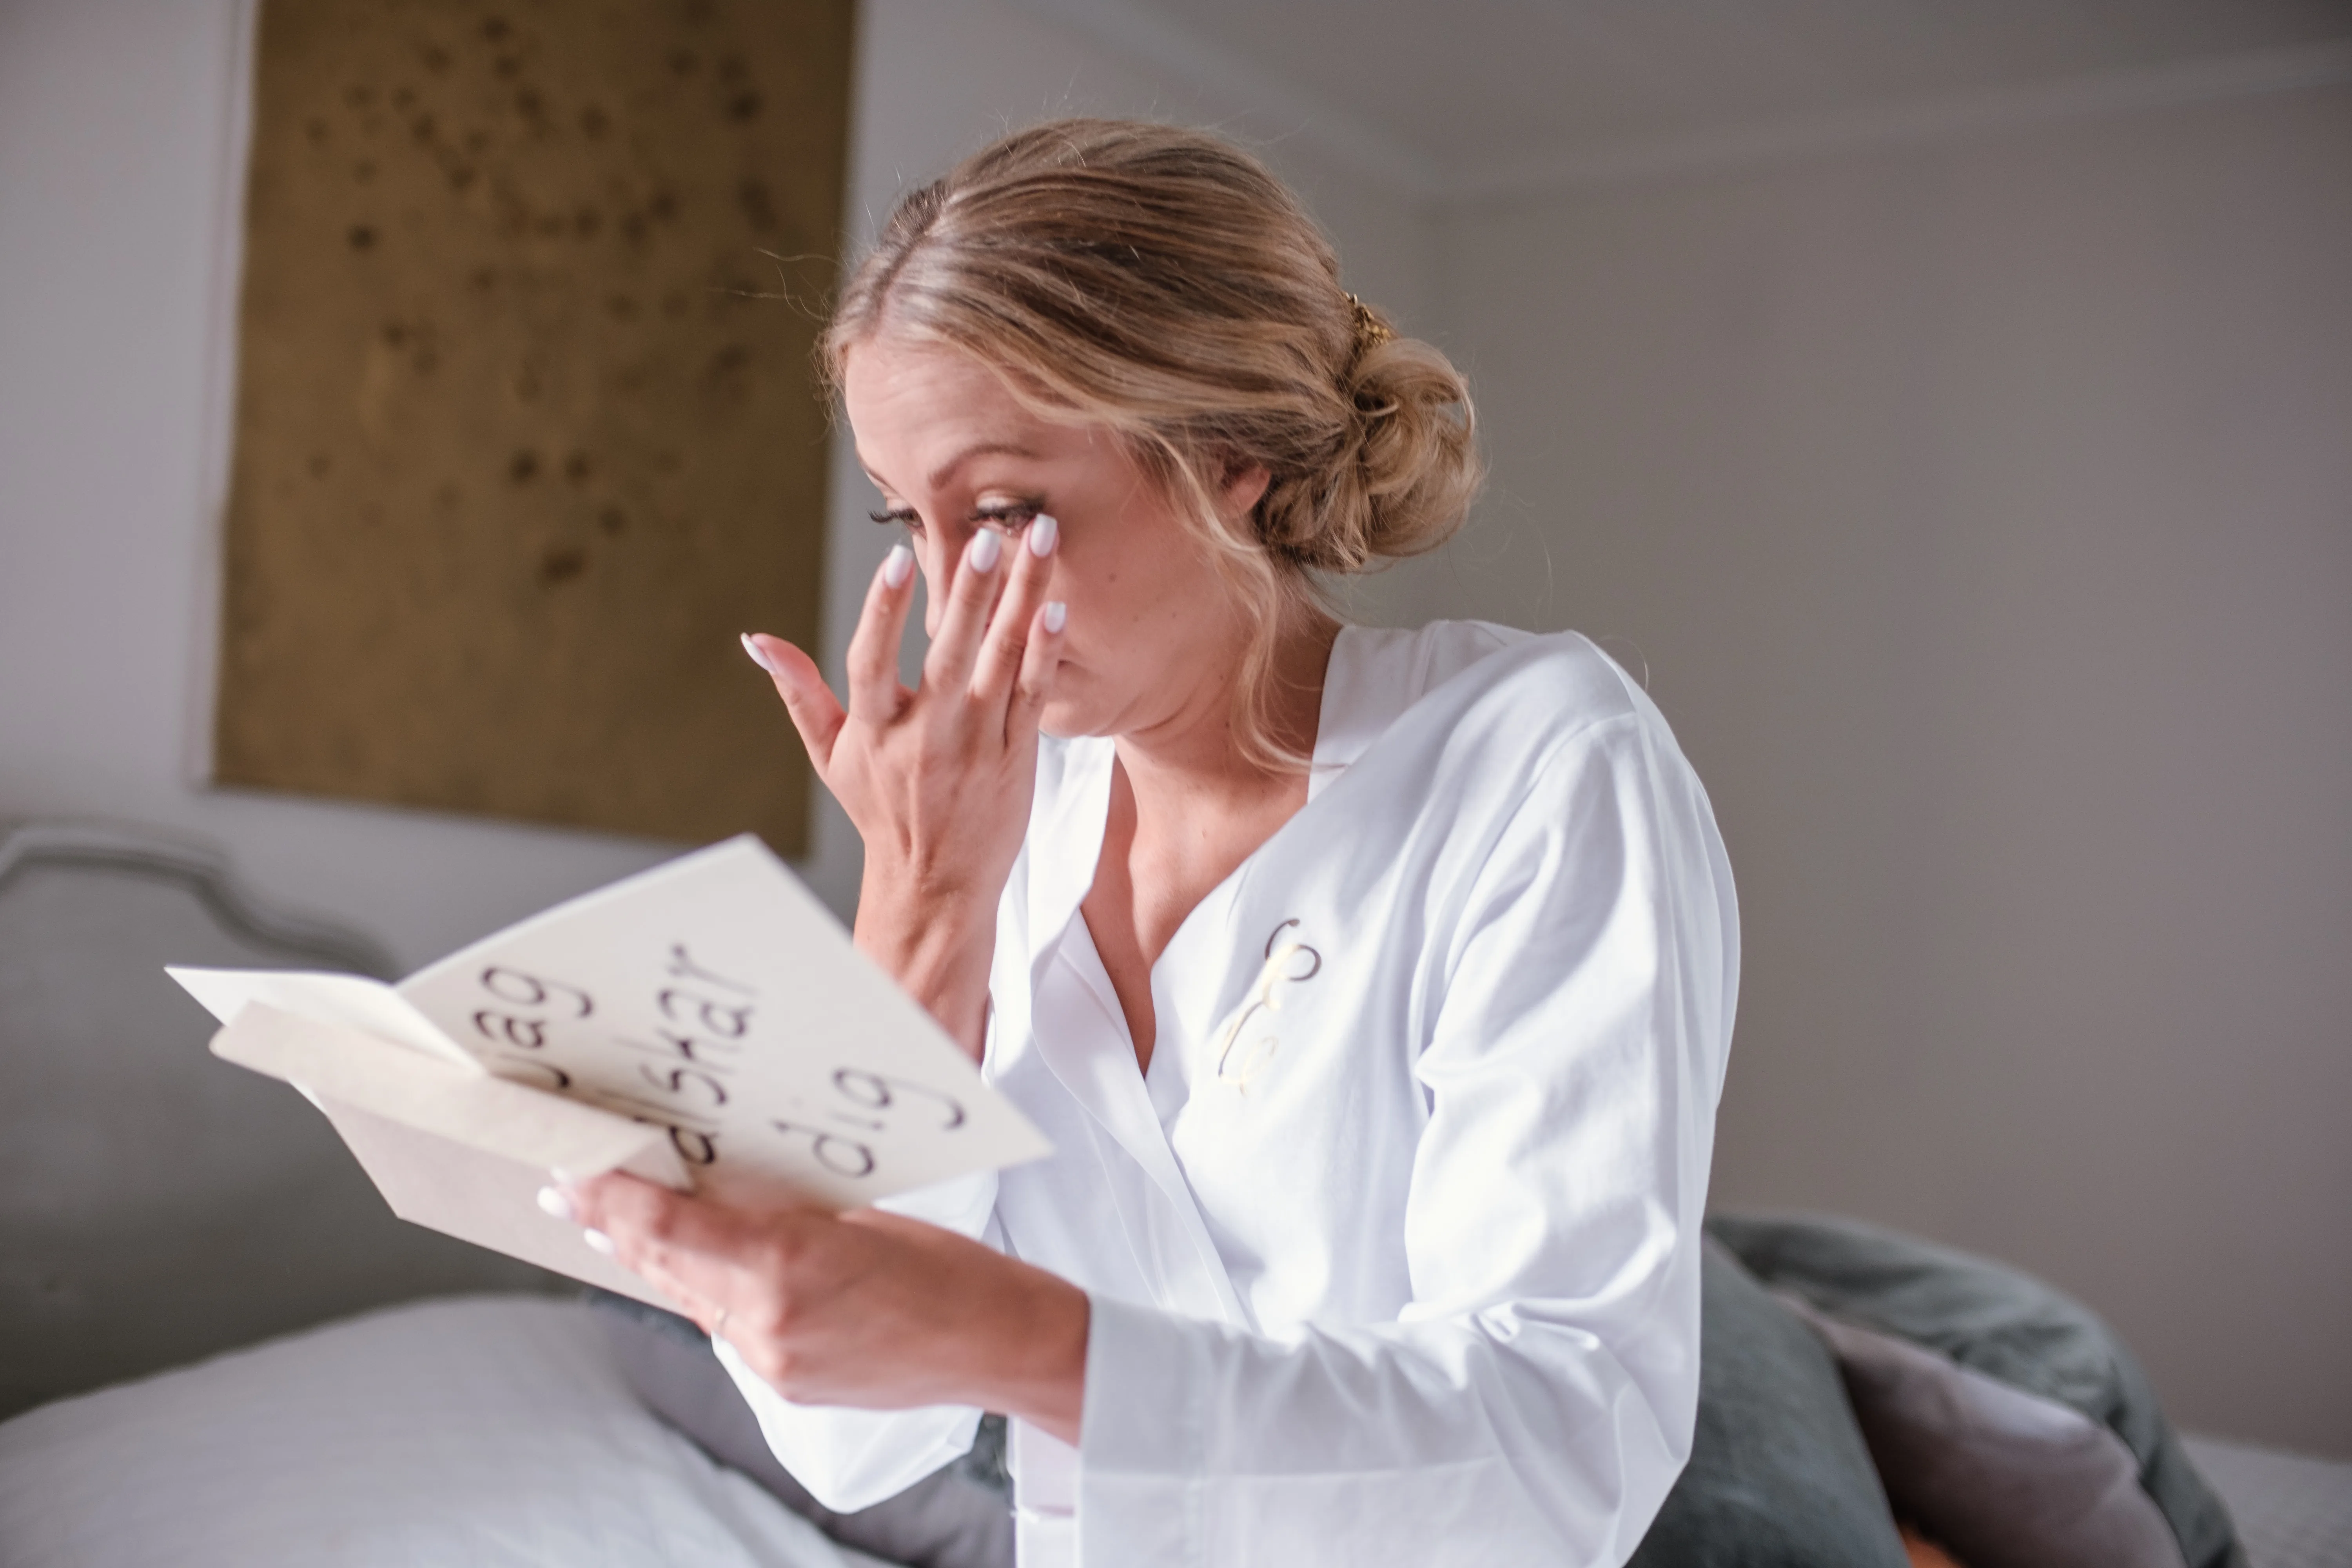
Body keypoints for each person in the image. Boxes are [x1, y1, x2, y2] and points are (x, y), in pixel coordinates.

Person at [559, 118, 1739, 1568]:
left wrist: (1020, 1338)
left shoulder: (1534, 762)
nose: (948, 602)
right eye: (906, 524)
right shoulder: (1002, 825)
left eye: (1004, 512)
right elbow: (850, 1446)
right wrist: (921, 908)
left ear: (1228, 449)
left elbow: (1570, 1452)